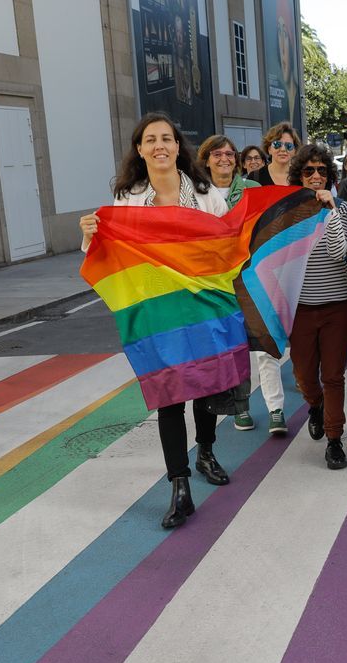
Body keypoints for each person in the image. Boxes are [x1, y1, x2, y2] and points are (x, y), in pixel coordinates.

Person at [79, 112, 232, 529]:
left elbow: (228, 247)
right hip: (155, 312)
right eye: (151, 139)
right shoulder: (127, 201)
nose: (160, 145)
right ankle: (179, 486)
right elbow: (109, 255)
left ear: (178, 147)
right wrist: (91, 234)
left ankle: (205, 450)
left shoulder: (206, 196)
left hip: (203, 307)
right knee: (168, 394)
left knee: (204, 389)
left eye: (167, 138)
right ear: (140, 149)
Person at [197, 134, 289, 436]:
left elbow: (268, 228)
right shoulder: (196, 194)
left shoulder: (252, 189)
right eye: (217, 153)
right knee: (233, 346)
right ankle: (241, 406)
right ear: (206, 158)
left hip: (252, 275)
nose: (224, 158)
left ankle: (275, 409)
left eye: (229, 153)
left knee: (265, 344)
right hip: (216, 282)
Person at [286, 144, 347, 470]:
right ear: (298, 176)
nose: (316, 176)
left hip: (337, 306)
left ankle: (334, 439)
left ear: (330, 176)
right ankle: (314, 406)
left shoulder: (340, 208)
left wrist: (329, 211)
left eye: (322, 171)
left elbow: (337, 252)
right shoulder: (286, 214)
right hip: (299, 307)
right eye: (309, 171)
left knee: (333, 376)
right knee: (304, 376)